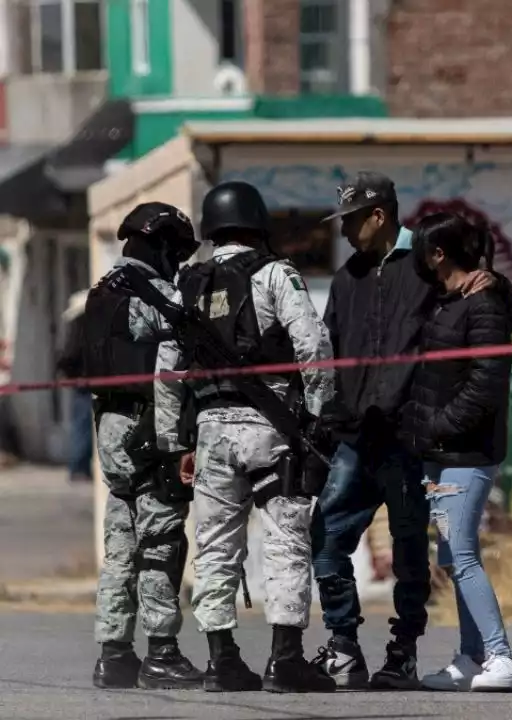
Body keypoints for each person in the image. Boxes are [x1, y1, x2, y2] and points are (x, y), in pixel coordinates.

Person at [309, 171, 512, 690]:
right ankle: (343, 646)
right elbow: (332, 349)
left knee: (411, 550)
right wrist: (331, 415)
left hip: (412, 440)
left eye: (351, 221)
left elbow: (497, 311)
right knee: (327, 536)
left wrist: (496, 282)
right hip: (357, 439)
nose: (343, 232)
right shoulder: (347, 278)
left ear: (379, 216)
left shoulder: (426, 264)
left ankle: (402, 651)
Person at [153, 180, 337, 693]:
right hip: (270, 426)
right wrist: (319, 417)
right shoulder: (275, 273)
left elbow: (167, 372)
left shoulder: (184, 286)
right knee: (284, 541)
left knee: (213, 546)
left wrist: (175, 441)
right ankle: (285, 660)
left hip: (210, 430)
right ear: (258, 223)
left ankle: (221, 661)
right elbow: (314, 345)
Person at [79, 202, 204, 690]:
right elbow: (168, 376)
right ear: (161, 246)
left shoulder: (100, 294)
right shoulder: (154, 299)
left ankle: (113, 653)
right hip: (148, 429)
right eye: (176, 250)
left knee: (120, 545)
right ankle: (162, 653)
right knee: (161, 542)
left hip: (111, 430)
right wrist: (176, 447)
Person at [401, 212, 512, 692]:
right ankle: (472, 657)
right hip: (441, 451)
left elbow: (485, 385)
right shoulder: (446, 299)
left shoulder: (484, 302)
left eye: (420, 249)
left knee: (464, 556)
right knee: (452, 555)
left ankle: (501, 657)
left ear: (438, 254)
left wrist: (439, 425)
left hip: (466, 453)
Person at [56, 289, 94, 483]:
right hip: (86, 382)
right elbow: (71, 353)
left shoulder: (82, 324)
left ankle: (80, 467)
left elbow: (68, 353)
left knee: (82, 424)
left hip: (85, 381)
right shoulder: (85, 324)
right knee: (83, 425)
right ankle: (79, 468)